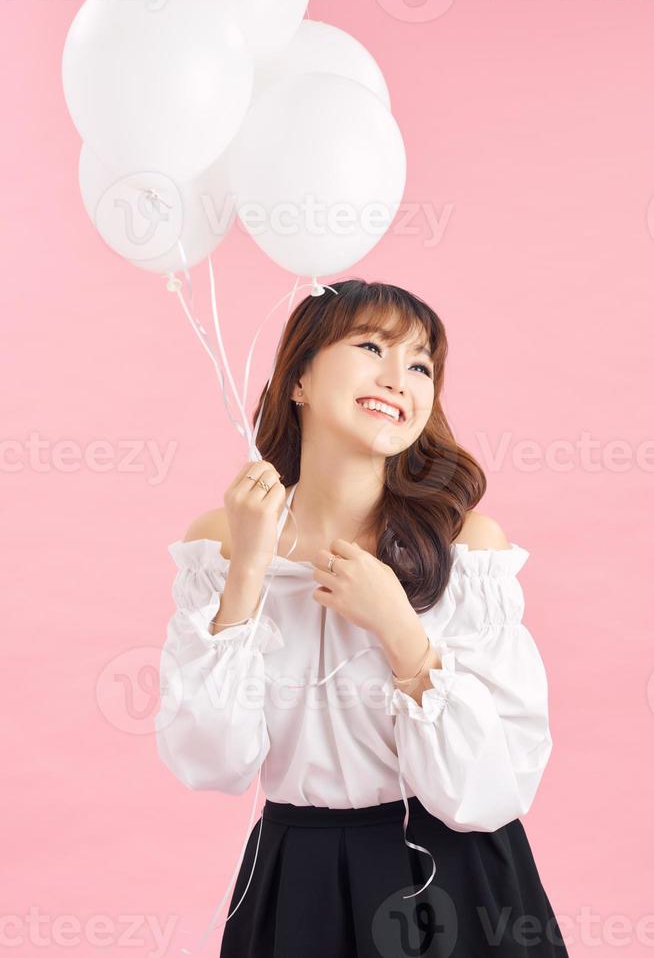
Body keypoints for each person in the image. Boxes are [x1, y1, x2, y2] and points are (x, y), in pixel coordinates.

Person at [155, 279, 569, 957]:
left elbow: (491, 790)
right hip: (296, 878)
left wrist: (398, 628)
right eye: (371, 346)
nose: (397, 378)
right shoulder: (225, 541)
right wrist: (249, 570)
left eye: (419, 364)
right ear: (299, 379)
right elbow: (212, 762)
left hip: (455, 880)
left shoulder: (467, 548)